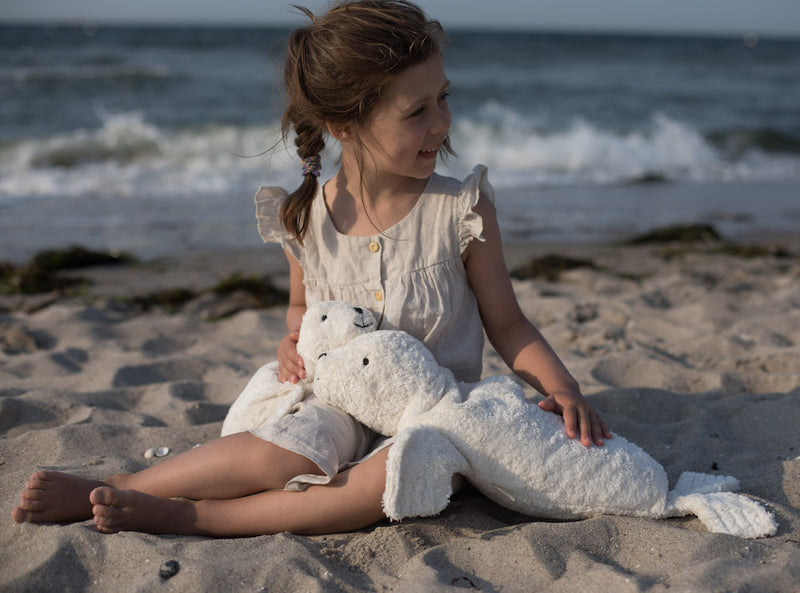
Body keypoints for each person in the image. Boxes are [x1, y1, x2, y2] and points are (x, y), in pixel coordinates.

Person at [12, 0, 611, 537]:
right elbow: (303, 311)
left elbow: (508, 324)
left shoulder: (461, 210)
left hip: (435, 411)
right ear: (344, 126)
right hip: (338, 400)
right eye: (417, 110)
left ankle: (194, 517)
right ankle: (129, 482)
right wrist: (291, 342)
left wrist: (563, 389)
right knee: (282, 455)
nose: (441, 122)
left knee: (389, 480)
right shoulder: (305, 219)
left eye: (444, 98)